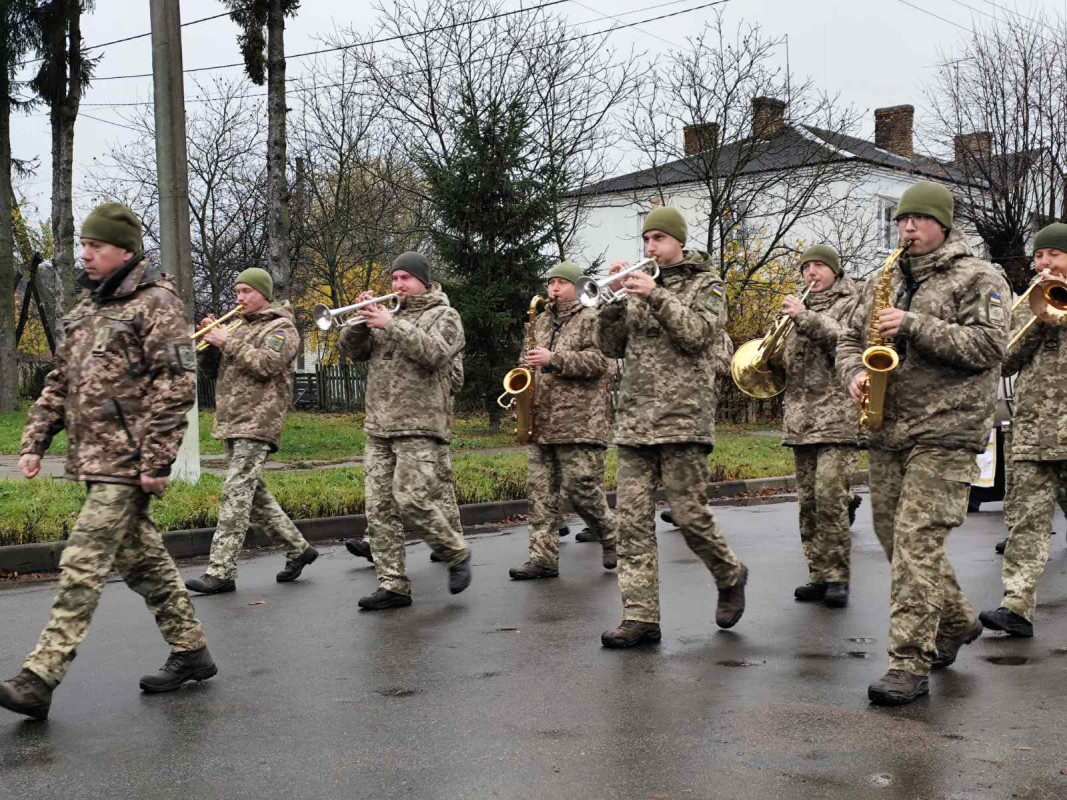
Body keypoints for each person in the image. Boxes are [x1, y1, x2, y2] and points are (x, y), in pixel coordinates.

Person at [0, 203, 215, 721]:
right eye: (84, 245)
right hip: (95, 461)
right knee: (145, 563)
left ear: (125, 249)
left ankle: (39, 677)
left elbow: (177, 384)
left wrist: (157, 460)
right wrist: (33, 441)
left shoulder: (157, 303)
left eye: (96, 245)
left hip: (129, 463)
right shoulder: (85, 309)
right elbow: (59, 383)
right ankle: (192, 652)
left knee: (83, 562)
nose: (86, 254)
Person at [836, 181, 1010, 705]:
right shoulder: (882, 278)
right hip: (888, 427)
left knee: (916, 542)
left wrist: (913, 323)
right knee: (892, 536)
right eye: (902, 220)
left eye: (918, 219)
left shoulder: (979, 275)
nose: (907, 228)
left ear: (944, 224)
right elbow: (848, 336)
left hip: (948, 431)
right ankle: (956, 620)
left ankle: (907, 663)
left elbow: (990, 345)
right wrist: (852, 372)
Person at [596, 206, 748, 648]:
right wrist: (611, 302)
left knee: (689, 515)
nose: (650, 247)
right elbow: (610, 347)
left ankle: (730, 573)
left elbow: (699, 335)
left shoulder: (707, 283)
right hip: (636, 420)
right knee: (632, 523)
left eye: (659, 239)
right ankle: (640, 616)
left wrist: (656, 296)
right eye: (646, 240)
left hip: (684, 418)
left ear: (678, 241)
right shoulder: (637, 287)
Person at [338, 252, 471, 610]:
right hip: (379, 425)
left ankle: (455, 552)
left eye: (406, 278)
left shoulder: (445, 315)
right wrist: (359, 322)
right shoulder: (387, 315)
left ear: (424, 281)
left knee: (410, 500)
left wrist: (389, 324)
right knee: (379, 508)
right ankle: (393, 584)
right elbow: (352, 352)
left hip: (421, 424)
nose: (398, 285)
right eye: (394, 278)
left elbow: (436, 353)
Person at [184, 268, 317, 595]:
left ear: (263, 293)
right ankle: (299, 549)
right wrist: (212, 344)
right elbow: (210, 371)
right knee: (252, 493)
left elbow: (266, 365)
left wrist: (227, 341)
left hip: (260, 420)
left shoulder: (281, 328)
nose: (239, 298)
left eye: (246, 291)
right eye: (237, 291)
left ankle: (221, 571)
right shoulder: (238, 325)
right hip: (232, 418)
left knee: (235, 494)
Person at [979, 223, 1067, 638]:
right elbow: (1005, 361)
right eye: (1039, 256)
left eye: (1055, 255)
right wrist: (1038, 320)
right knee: (1026, 525)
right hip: (1033, 432)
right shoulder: (1025, 302)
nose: (1046, 263)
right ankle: (1016, 607)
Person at [508, 260, 618, 580]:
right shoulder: (539, 321)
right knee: (541, 493)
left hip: (580, 422)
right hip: (541, 420)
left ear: (577, 286)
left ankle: (611, 534)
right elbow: (525, 362)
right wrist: (521, 386)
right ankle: (542, 557)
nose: (554, 289)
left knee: (581, 489)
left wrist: (554, 359)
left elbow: (602, 363)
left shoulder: (592, 318)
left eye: (561, 283)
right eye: (550, 283)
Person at [772, 245, 860, 607]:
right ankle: (818, 574)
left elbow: (847, 340)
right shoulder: (798, 311)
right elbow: (785, 363)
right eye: (806, 266)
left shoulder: (852, 302)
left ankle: (838, 575)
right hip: (800, 419)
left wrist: (804, 317)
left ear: (835, 271)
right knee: (807, 502)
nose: (811, 272)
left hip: (838, 417)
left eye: (819, 266)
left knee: (830, 497)